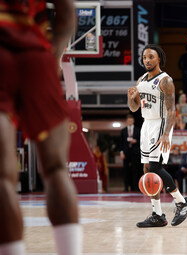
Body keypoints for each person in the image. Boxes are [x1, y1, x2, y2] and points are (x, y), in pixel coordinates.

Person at [0, 0, 81, 254]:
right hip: (37, 56)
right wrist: (53, 53)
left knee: (2, 177)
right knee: (57, 169)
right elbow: (67, 11)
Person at [127, 44, 187, 228]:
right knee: (147, 169)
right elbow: (134, 108)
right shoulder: (141, 80)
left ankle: (182, 202)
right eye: (145, 57)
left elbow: (172, 110)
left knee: (156, 167)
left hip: (161, 122)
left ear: (159, 59)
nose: (147, 60)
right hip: (146, 124)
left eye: (151, 57)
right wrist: (130, 97)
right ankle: (158, 215)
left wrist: (166, 134)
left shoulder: (165, 81)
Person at [120, 114, 141, 191]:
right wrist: (121, 152)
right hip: (126, 153)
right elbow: (121, 143)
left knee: (135, 170)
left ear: (133, 121)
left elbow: (142, 141)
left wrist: (136, 141)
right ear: (126, 121)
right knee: (126, 170)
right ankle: (126, 188)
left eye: (131, 120)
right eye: (128, 120)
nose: (130, 122)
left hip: (135, 152)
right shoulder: (123, 131)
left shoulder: (138, 130)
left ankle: (135, 187)